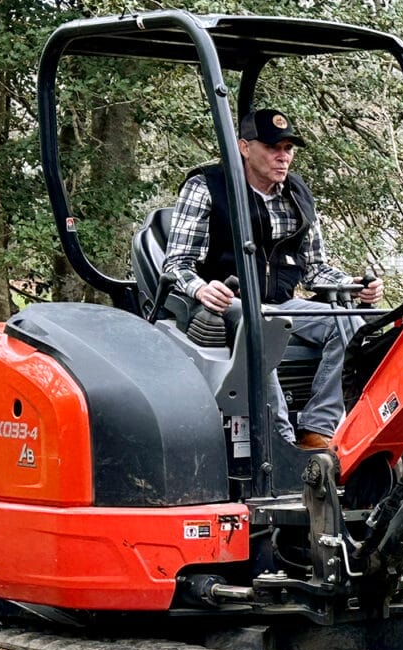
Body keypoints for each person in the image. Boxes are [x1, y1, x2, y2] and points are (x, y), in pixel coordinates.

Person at [162, 108, 383, 449]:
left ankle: (317, 430)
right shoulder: (207, 186)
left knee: (350, 323)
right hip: (226, 305)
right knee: (260, 323)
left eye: (288, 149)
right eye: (272, 148)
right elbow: (176, 263)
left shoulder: (297, 195)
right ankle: (278, 439)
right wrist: (203, 288)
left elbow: (315, 269)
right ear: (245, 147)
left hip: (281, 303)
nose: (283, 157)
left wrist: (353, 285)